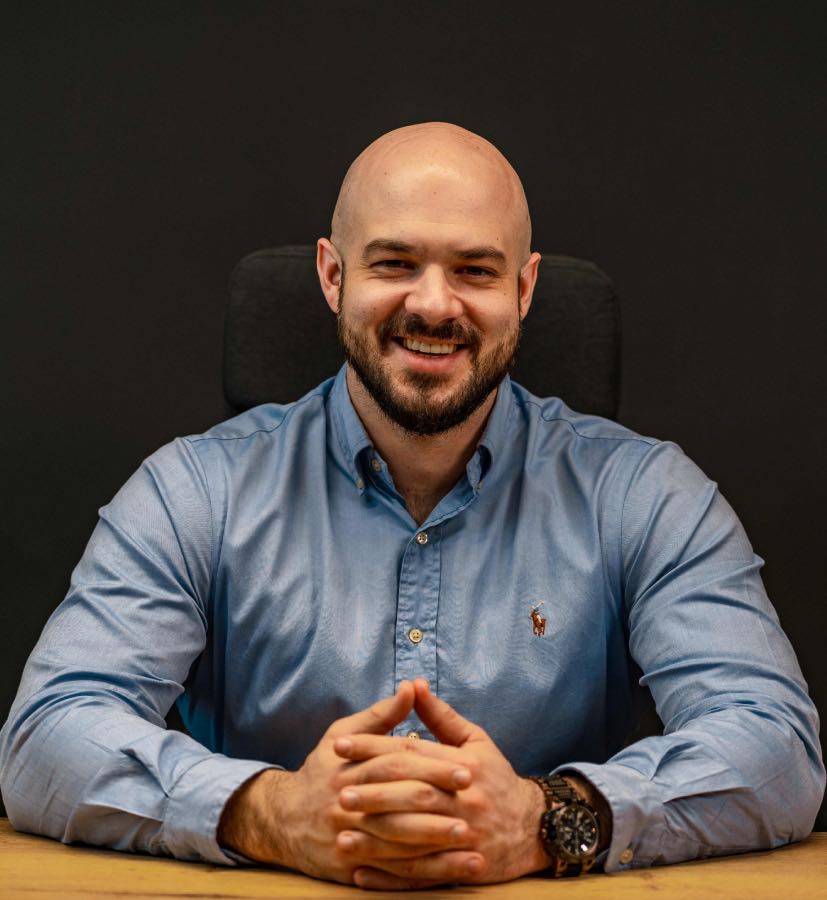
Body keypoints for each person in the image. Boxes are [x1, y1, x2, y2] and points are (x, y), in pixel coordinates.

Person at [0, 122, 823, 891]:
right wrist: (272, 814)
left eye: (475, 270)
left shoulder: (644, 494)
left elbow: (776, 744)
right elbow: (48, 735)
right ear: (333, 276)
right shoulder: (193, 490)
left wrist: (543, 819)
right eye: (394, 263)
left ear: (524, 289)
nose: (433, 305)